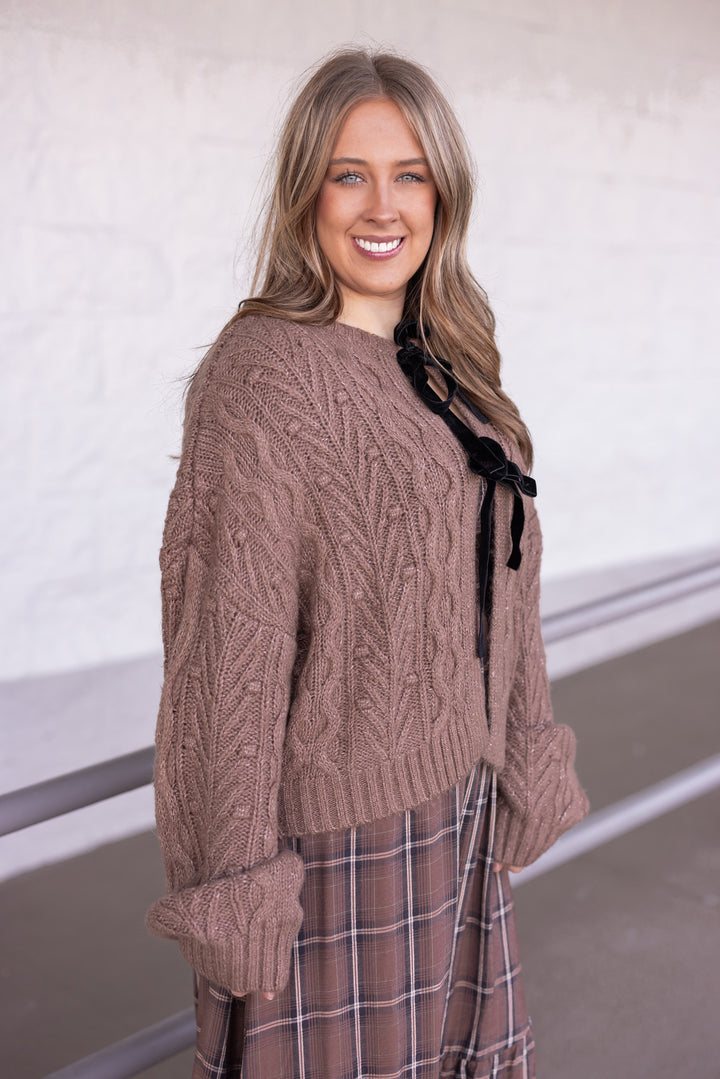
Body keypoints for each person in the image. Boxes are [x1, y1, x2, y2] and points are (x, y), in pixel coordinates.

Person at [146, 46, 589, 1079]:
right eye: (350, 172)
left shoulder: (447, 362)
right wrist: (234, 876)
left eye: (410, 174)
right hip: (339, 846)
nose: (381, 205)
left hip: (460, 805)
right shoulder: (261, 381)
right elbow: (226, 657)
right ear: (307, 192)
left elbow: (505, 589)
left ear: (444, 192)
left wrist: (524, 745)